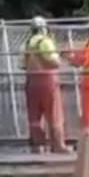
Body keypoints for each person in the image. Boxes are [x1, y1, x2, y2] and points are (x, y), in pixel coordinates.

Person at [22, 16, 67, 154]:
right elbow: (54, 63)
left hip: (31, 81)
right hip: (48, 81)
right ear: (44, 28)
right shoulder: (45, 42)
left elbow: (22, 65)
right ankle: (58, 145)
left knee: (35, 116)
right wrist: (60, 57)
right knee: (54, 114)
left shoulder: (27, 43)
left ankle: (37, 146)